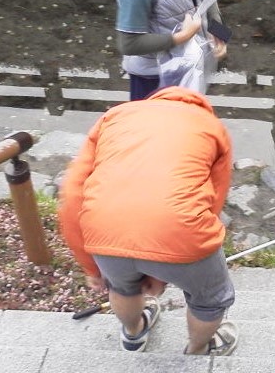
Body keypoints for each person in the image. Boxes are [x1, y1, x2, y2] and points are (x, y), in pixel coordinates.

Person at [57, 86, 238, 355]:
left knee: (122, 287)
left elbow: (73, 193)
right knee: (209, 300)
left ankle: (134, 332)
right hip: (181, 232)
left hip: (104, 229)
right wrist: (160, 267)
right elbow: (213, 201)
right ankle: (198, 350)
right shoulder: (212, 126)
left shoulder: (115, 116)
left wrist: (92, 268)